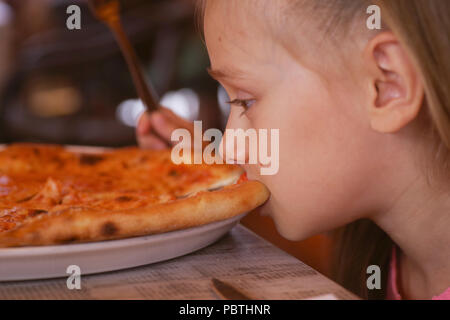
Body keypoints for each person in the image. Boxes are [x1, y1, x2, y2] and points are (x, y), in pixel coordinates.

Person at [137, 0, 450, 300]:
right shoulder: (374, 249)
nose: (229, 148)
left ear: (386, 86)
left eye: (246, 101)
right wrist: (209, 175)